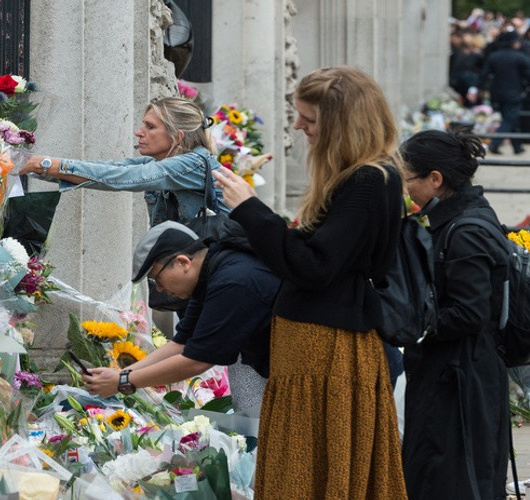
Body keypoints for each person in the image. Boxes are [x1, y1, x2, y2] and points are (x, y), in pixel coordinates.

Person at [212, 66, 407, 498]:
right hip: (315, 346)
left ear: (343, 125)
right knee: (306, 462)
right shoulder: (361, 179)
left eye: (310, 119)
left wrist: (251, 209)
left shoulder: (368, 181)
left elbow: (314, 267)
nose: (298, 126)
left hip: (326, 347)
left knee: (309, 466)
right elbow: (316, 252)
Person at [398, 129, 509, 499]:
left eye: (407, 179)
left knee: (449, 479)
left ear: (435, 179)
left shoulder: (465, 232)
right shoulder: (461, 216)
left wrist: (411, 328)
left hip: (461, 382)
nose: (405, 188)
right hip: (454, 372)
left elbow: (469, 312)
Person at [81, 220, 280, 413]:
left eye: (157, 278)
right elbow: (181, 344)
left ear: (182, 262)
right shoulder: (209, 274)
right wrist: (122, 374)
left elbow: (197, 360)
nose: (159, 289)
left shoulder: (232, 282)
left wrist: (124, 382)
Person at [19, 97, 229, 226]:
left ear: (178, 136)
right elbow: (110, 170)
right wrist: (30, 165)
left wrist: (46, 164)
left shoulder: (194, 163)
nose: (139, 132)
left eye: (150, 127)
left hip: (220, 272)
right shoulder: (158, 163)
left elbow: (124, 178)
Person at [469, 29, 530, 154]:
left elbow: (484, 75)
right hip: (514, 93)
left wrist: (475, 88)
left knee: (510, 119)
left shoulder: (494, 56)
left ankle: (517, 146)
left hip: (496, 93)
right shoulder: (520, 57)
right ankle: (494, 143)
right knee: (510, 119)